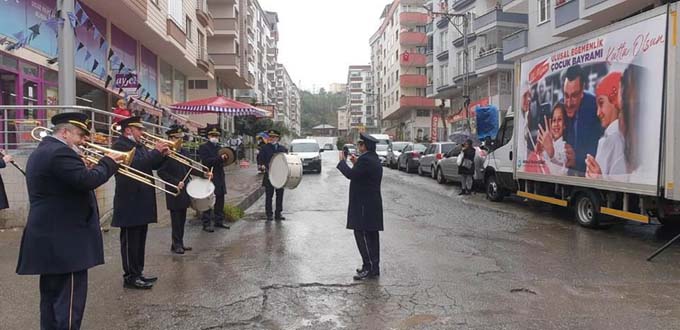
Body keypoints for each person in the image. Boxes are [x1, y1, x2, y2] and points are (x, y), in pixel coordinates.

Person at [16, 113, 122, 329]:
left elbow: (68, 183)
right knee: (69, 303)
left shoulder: (44, 151)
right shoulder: (60, 152)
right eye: (80, 135)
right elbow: (87, 181)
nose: (84, 141)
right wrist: (108, 163)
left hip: (51, 236)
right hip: (66, 239)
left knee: (51, 299)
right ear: (65, 132)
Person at [112, 116, 169, 290]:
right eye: (139, 129)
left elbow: (150, 165)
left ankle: (138, 272)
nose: (142, 133)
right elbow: (136, 165)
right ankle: (130, 276)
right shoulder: (120, 146)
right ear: (128, 130)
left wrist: (163, 156)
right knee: (130, 240)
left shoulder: (139, 146)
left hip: (142, 198)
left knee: (140, 239)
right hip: (129, 200)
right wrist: (155, 152)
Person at [337, 133, 383, 281]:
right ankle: (373, 267)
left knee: (362, 234)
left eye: (360, 145)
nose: (358, 147)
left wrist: (342, 162)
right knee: (372, 236)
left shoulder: (366, 161)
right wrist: (357, 162)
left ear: (365, 146)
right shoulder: (372, 158)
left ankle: (368, 267)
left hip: (364, 205)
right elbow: (362, 174)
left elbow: (351, 175)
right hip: (371, 203)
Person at [158, 125, 211, 254]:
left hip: (184, 189)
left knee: (182, 218)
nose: (180, 140)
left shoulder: (184, 152)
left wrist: (203, 174)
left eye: (181, 138)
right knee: (176, 219)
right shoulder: (166, 153)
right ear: (170, 138)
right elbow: (161, 172)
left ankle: (179, 242)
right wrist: (176, 183)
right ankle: (176, 244)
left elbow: (190, 169)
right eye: (177, 138)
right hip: (174, 190)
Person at [560, 65, 603, 176]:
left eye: (574, 96)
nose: (568, 103)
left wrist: (577, 159)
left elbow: (599, 151)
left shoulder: (595, 108)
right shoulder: (560, 108)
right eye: (566, 95)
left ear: (582, 89)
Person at [586, 72, 626, 179]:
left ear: (614, 101)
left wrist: (598, 178)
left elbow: (618, 184)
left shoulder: (616, 140)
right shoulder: (611, 137)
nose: (598, 113)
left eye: (601, 103)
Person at [198, 124, 230, 232]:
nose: (214, 137)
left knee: (220, 199)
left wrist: (225, 159)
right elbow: (207, 161)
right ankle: (206, 223)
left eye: (216, 135)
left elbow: (224, 161)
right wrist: (219, 158)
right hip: (209, 176)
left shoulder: (220, 148)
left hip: (220, 175)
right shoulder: (204, 147)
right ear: (208, 136)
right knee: (208, 200)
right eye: (212, 135)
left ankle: (219, 221)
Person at [259, 129, 288, 221]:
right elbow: (260, 159)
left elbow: (287, 161)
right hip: (269, 174)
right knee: (269, 195)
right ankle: (269, 214)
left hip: (280, 175)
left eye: (274, 137)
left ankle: (278, 213)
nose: (272, 138)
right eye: (270, 137)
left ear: (278, 138)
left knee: (280, 195)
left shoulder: (283, 149)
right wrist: (262, 165)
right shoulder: (264, 148)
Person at [537, 103, 569, 175]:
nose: (556, 124)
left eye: (559, 119)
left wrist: (552, 154)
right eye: (554, 120)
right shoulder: (549, 143)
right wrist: (538, 153)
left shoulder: (566, 147)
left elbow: (560, 161)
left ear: (564, 125)